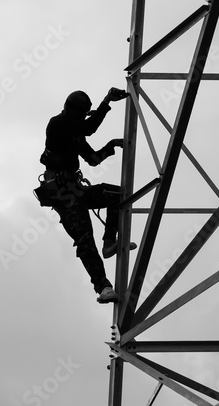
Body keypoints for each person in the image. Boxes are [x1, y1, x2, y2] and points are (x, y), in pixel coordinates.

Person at [36, 88, 135, 303]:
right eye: (81, 115)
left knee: (116, 194)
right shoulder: (58, 124)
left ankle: (109, 242)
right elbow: (90, 128)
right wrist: (106, 101)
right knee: (84, 238)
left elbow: (92, 159)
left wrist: (110, 147)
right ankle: (102, 287)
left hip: (76, 190)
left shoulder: (75, 134)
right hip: (63, 194)